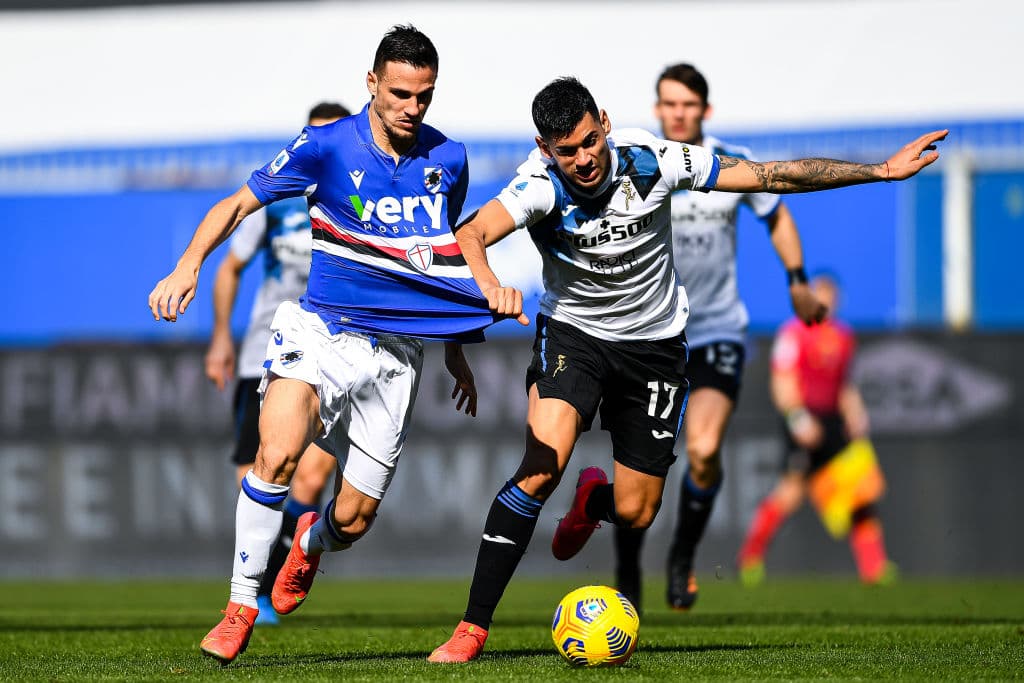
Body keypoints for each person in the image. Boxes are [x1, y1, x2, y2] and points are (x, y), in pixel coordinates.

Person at [427, 76, 943, 663]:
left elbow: (768, 175)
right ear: (546, 149)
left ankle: (592, 502)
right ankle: (472, 628)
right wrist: (490, 285)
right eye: (565, 151)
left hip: (655, 348)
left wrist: (878, 171)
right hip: (575, 335)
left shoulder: (654, 160)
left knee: (635, 510)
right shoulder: (538, 187)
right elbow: (470, 233)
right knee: (542, 466)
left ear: (605, 121)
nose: (583, 160)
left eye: (589, 141)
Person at [148, 25, 519, 665]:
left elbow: (440, 257)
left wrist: (458, 344)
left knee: (351, 521)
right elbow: (238, 204)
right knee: (279, 450)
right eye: (399, 92)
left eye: (423, 96)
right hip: (320, 330)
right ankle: (239, 606)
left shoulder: (449, 159)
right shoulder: (324, 147)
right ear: (371, 83)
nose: (411, 107)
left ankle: (309, 543)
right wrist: (188, 265)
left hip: (398, 354)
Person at [612, 63, 824, 613]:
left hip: (716, 331)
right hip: (651, 334)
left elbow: (776, 214)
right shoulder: (641, 165)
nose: (678, 113)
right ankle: (627, 568)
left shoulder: (727, 162)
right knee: (640, 466)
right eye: (669, 104)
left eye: (688, 105)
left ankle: (681, 558)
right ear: (657, 109)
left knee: (703, 450)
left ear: (705, 110)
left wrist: (797, 280)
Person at [204, 101, 350, 625]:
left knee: (310, 479)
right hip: (263, 355)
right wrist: (221, 336)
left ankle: (262, 587)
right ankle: (254, 590)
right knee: (257, 475)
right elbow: (231, 268)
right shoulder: (278, 197)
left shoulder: (364, 201)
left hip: (334, 356)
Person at [736, 273, 893, 585]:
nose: (826, 301)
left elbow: (845, 385)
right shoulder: (793, 334)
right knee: (790, 494)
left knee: (860, 496)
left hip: (834, 422)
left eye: (831, 295)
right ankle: (750, 557)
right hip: (804, 420)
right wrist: (798, 419)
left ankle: (875, 568)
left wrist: (856, 414)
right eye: (820, 294)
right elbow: (782, 381)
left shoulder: (844, 336)